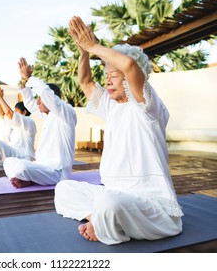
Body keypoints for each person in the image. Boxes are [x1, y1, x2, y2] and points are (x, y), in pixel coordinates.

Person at [54, 16, 183, 245]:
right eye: (107, 76)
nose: (108, 81)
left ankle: (105, 223)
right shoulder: (111, 106)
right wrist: (84, 52)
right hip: (112, 194)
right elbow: (84, 81)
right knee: (63, 189)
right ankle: (99, 219)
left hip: (151, 204)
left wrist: (93, 46)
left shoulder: (148, 105)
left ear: (132, 79)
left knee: (110, 204)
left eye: (113, 76)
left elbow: (131, 66)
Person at [3, 57, 77, 188]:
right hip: (41, 166)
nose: (38, 102)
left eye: (40, 99)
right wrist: (25, 83)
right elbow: (30, 103)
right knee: (8, 162)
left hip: (57, 173)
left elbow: (46, 93)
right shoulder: (48, 116)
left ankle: (29, 178)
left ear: (51, 99)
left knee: (21, 168)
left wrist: (29, 78)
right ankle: (31, 178)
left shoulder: (66, 114)